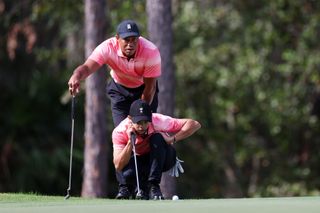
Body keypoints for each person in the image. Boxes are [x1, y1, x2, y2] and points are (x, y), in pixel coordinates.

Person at [68, 20, 161, 126]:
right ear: (117, 38)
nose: (130, 44)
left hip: (144, 90)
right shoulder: (107, 48)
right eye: (126, 40)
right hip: (119, 91)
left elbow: (150, 87)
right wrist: (77, 75)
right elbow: (88, 67)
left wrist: (140, 112)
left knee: (147, 132)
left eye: (134, 40)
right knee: (122, 131)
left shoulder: (150, 51)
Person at [112, 99, 201, 200]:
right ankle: (135, 189)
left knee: (157, 138)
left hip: (164, 158)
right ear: (130, 118)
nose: (142, 126)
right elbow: (118, 165)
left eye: (146, 122)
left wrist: (172, 139)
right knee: (128, 174)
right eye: (138, 122)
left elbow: (194, 124)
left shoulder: (158, 120)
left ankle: (154, 186)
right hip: (141, 161)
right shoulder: (120, 131)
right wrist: (130, 142)